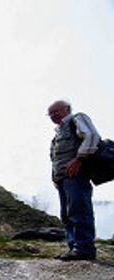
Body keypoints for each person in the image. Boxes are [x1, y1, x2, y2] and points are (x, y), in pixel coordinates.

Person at [48, 100, 99, 261]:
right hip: (63, 178)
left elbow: (91, 136)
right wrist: (55, 178)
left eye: (56, 111)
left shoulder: (77, 118)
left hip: (76, 174)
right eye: (50, 114)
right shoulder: (57, 134)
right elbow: (54, 158)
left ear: (67, 109)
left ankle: (84, 248)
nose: (53, 116)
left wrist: (79, 158)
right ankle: (74, 248)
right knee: (67, 214)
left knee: (79, 210)